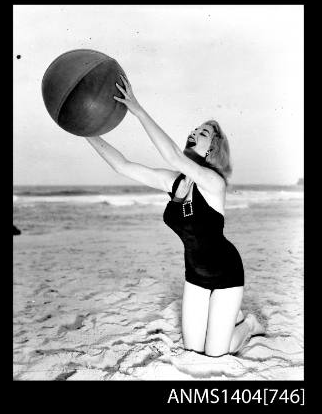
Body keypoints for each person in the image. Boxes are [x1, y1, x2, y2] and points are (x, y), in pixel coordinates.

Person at [86, 75, 264, 357]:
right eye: (195, 129)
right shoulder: (176, 182)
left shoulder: (213, 183)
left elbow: (171, 155)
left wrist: (138, 109)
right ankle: (234, 315)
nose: (194, 133)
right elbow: (122, 166)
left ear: (212, 150)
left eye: (203, 134)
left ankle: (249, 325)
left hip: (226, 273)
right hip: (194, 275)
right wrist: (86, 131)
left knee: (217, 353)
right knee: (193, 350)